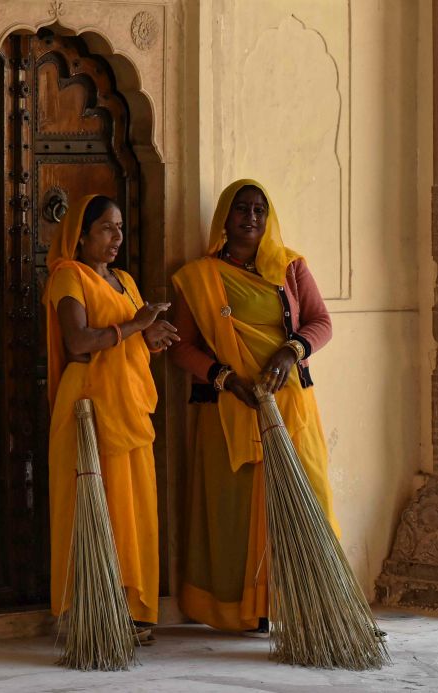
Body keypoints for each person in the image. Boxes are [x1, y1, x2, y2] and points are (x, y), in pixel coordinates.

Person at [169, 179, 337, 635]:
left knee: (308, 496)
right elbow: (181, 348)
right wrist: (224, 378)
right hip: (231, 409)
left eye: (260, 210)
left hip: (289, 407)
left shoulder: (290, 266)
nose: (251, 218)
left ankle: (307, 605)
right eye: (241, 209)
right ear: (225, 217)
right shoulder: (197, 278)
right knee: (235, 512)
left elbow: (321, 322)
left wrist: (292, 350)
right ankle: (244, 611)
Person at [44, 194, 179, 640]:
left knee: (132, 508)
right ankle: (89, 612)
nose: (117, 237)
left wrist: (152, 337)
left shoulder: (124, 280)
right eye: (106, 228)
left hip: (127, 408)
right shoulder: (69, 277)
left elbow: (129, 341)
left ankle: (129, 609)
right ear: (81, 236)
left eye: (120, 227)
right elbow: (78, 342)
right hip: (88, 408)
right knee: (92, 507)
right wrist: (136, 327)